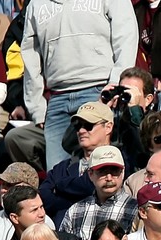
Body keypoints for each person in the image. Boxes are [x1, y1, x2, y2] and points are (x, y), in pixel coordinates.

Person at [16, 0, 135, 170]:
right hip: (57, 98)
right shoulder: (36, 4)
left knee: (99, 169)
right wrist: (36, 107)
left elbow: (126, 36)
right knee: (57, 174)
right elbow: (30, 54)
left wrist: (116, 83)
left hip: (99, 91)